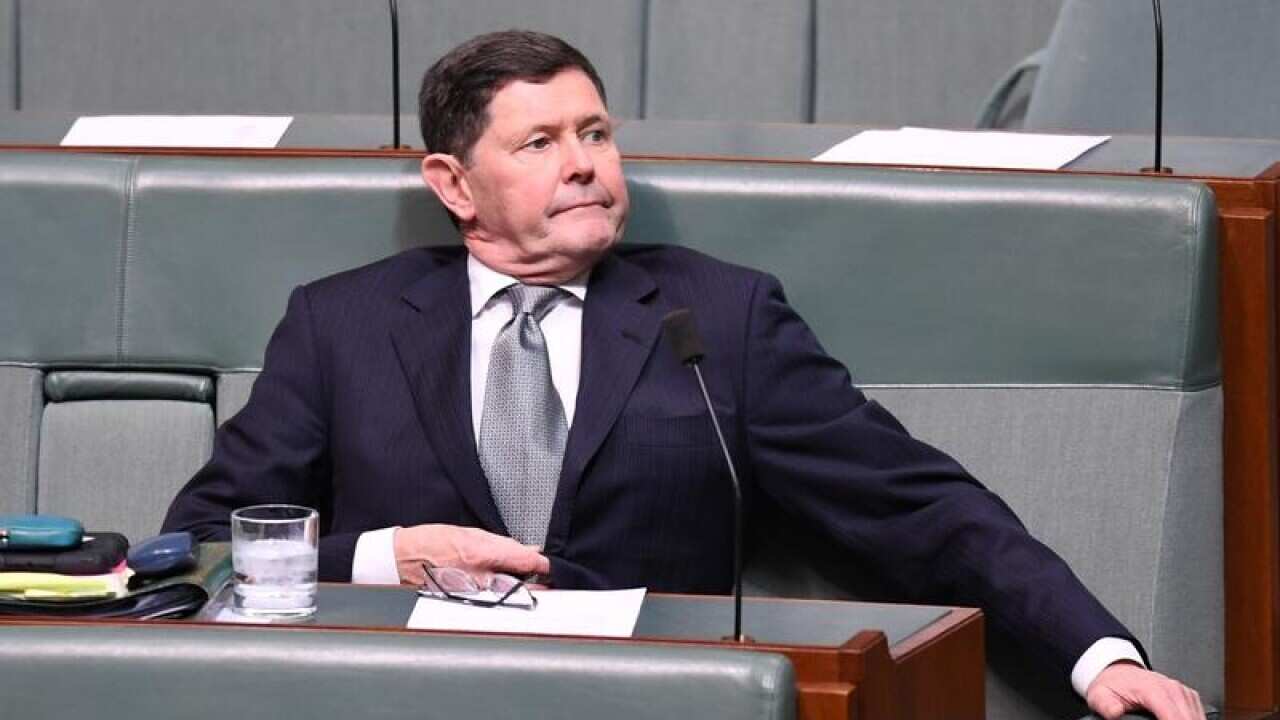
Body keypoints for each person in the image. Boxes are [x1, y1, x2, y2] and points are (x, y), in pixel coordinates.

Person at [163, 29, 1204, 720]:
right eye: (539, 142)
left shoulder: (718, 318)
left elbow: (917, 508)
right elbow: (204, 546)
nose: (583, 163)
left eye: (596, 133)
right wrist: (388, 557)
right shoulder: (341, 323)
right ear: (453, 183)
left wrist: (1095, 656)